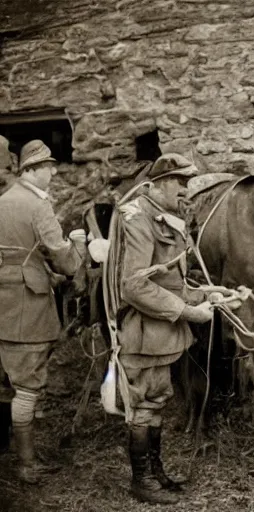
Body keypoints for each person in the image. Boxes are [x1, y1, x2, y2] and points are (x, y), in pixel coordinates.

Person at [110, 153, 216, 504]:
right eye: (179, 182)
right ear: (156, 184)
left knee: (155, 402)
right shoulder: (138, 219)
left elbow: (170, 280)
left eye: (188, 183)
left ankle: (155, 474)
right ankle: (142, 481)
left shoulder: (164, 219)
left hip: (159, 332)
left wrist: (208, 294)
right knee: (142, 406)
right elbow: (135, 286)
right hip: (142, 331)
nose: (186, 190)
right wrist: (188, 311)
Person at [0, 139, 85, 483]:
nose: (53, 172)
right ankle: (27, 464)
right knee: (27, 386)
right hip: (26, 301)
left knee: (6, 380)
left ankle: (8, 451)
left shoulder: (3, 200)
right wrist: (79, 248)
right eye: (49, 166)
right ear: (31, 170)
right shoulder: (37, 205)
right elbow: (61, 258)